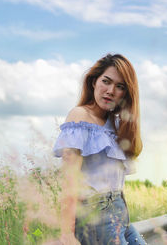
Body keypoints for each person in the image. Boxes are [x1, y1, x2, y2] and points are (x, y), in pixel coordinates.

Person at [53, 53, 146, 245]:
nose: (111, 91)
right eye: (106, 81)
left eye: (120, 87)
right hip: (96, 217)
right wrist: (67, 234)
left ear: (125, 94)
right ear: (94, 82)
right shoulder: (79, 116)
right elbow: (69, 180)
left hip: (121, 213)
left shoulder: (118, 125)